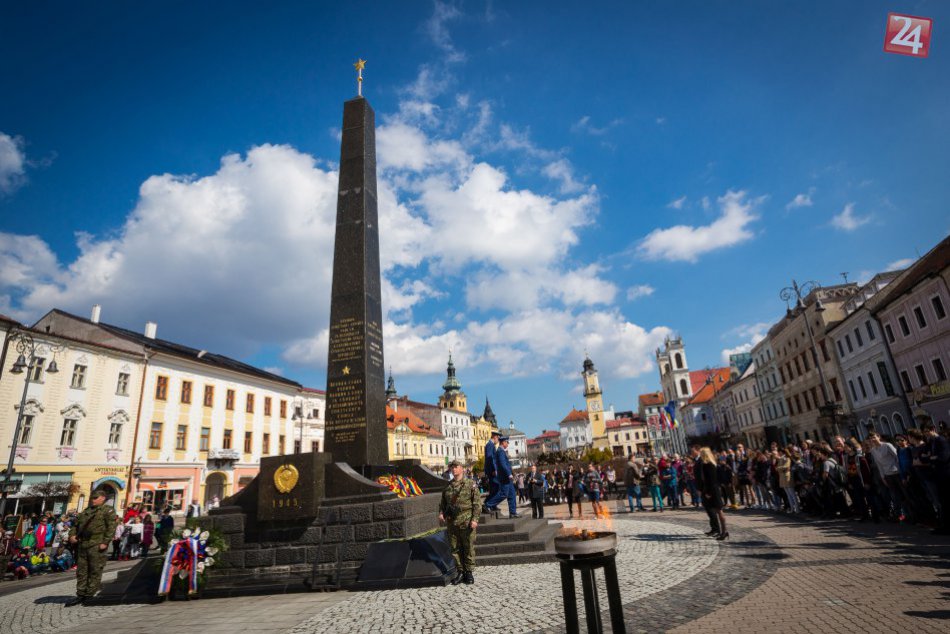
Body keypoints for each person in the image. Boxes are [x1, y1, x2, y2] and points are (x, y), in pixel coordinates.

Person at [66, 488, 115, 606]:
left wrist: (105, 542)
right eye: (92, 498)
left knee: (95, 570)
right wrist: (72, 535)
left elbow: (111, 527)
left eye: (95, 498)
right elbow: (76, 525)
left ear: (103, 498)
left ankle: (90, 595)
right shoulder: (86, 511)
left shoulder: (107, 511)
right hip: (83, 544)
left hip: (97, 545)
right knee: (81, 571)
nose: (92, 500)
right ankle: (80, 594)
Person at [439, 460, 480, 585]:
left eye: (456, 467)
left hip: (466, 520)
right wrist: (441, 513)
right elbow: (443, 503)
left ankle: (469, 572)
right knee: (455, 548)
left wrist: (475, 519)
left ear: (462, 468)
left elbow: (477, 504)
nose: (454, 469)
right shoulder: (447, 487)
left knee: (468, 547)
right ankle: (460, 571)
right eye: (452, 467)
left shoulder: (470, 484)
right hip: (452, 522)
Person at [699, 447, 727, 540]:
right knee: (718, 511)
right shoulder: (713, 464)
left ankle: (724, 532)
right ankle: (723, 531)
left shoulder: (708, 465)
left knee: (719, 511)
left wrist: (708, 492)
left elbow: (710, 480)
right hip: (715, 489)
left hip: (712, 490)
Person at [492, 437, 519, 518]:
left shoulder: (502, 451)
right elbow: (503, 464)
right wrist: (508, 474)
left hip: (507, 477)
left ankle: (513, 512)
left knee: (512, 494)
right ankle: (488, 504)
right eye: (507, 442)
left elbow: (506, 464)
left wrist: (512, 473)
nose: (508, 444)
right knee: (503, 494)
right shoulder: (500, 451)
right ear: (503, 442)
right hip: (505, 477)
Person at [481, 430, 501, 514]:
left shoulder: (491, 445)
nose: (498, 441)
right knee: (496, 488)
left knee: (495, 489)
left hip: (491, 470)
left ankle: (492, 505)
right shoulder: (490, 445)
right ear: (495, 437)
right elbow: (490, 458)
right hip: (491, 471)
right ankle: (487, 504)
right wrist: (493, 469)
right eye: (498, 439)